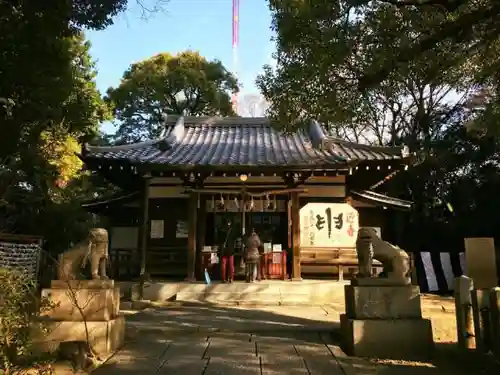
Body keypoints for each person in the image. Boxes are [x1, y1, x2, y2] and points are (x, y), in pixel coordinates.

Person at [220, 218, 237, 283]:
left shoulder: (222, 230)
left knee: (223, 265)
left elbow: (220, 240)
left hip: (224, 251)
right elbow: (235, 238)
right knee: (231, 265)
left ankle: (224, 279)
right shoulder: (233, 230)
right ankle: (231, 278)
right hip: (231, 250)